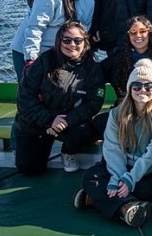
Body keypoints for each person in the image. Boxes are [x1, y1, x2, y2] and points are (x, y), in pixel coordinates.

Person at [75, 59, 152, 227]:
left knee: (146, 190)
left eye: (148, 86)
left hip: (150, 170)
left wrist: (129, 179)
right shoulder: (115, 115)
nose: (142, 90)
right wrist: (117, 176)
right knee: (90, 177)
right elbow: (113, 149)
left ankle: (94, 199)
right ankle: (127, 208)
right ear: (129, 88)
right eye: (137, 86)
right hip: (123, 166)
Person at [14, 20, 105, 175]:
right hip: (40, 122)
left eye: (78, 40)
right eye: (67, 40)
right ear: (59, 41)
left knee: (84, 131)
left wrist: (67, 120)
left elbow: (93, 103)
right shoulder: (44, 61)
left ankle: (68, 152)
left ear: (85, 42)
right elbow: (25, 97)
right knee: (29, 169)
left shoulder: (92, 69)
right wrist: (49, 120)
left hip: (68, 122)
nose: (72, 45)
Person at [11, 0, 95, 83]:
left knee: (55, 94)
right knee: (30, 95)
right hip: (27, 50)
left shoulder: (89, 2)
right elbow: (35, 28)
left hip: (58, 54)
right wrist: (31, 60)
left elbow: (83, 34)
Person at [99, 16, 152, 111]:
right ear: (128, 35)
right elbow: (97, 75)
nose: (138, 35)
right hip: (125, 110)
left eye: (142, 31)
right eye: (133, 32)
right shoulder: (118, 58)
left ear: (149, 33)